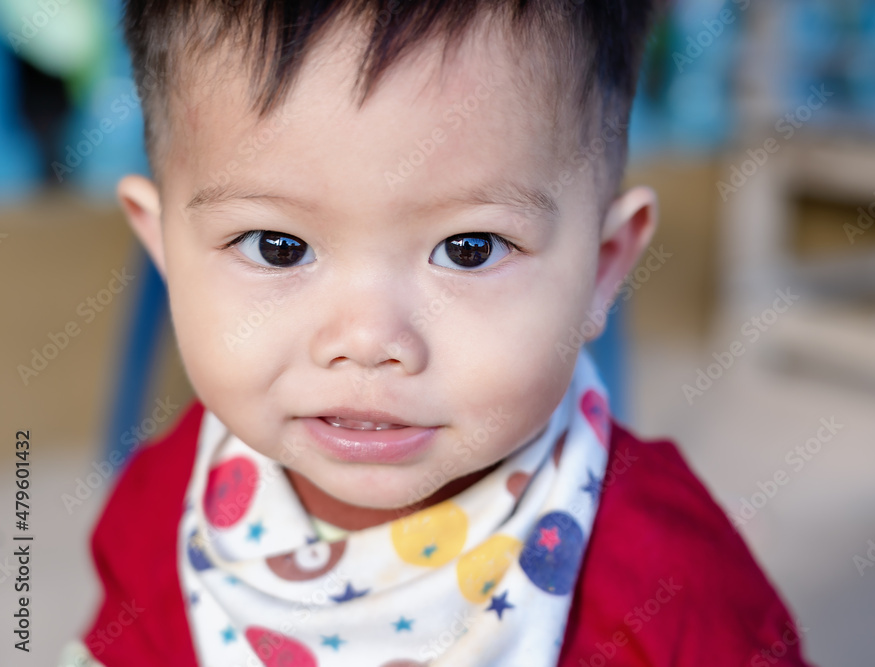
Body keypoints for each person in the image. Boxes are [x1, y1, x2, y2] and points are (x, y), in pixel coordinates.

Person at [62, 1, 811, 665]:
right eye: (277, 245)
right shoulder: (166, 507)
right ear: (164, 248)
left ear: (602, 268)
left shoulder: (674, 585)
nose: (366, 340)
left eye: (469, 248)